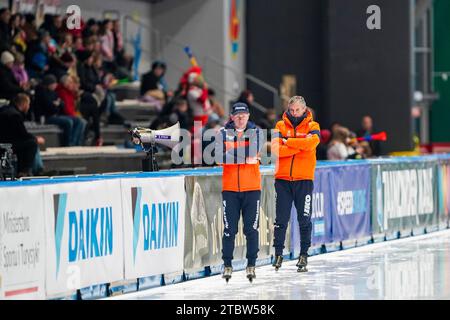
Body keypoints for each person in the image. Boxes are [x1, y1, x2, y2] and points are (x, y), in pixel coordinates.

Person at [271, 96, 320, 272]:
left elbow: (312, 142)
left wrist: (288, 142)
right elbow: (276, 149)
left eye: (297, 110)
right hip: (283, 180)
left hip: (304, 180)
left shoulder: (313, 126)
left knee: (304, 219)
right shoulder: (279, 126)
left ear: (304, 109)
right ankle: (278, 254)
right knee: (281, 220)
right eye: (291, 110)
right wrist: (301, 146)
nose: (294, 113)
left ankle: (304, 255)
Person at [215, 102, 262, 282]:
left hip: (252, 189)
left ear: (248, 116)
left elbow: (253, 152)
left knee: (251, 229)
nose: (241, 118)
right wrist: (245, 157)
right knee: (229, 229)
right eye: (237, 115)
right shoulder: (222, 134)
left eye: (244, 114)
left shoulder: (256, 132)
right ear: (232, 117)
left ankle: (251, 264)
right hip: (230, 190)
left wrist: (232, 154)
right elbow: (218, 158)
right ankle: (227, 264)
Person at [0, 94, 45, 176]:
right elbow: (22, 134)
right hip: (6, 144)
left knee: (29, 142)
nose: (28, 107)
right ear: (24, 104)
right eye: (28, 104)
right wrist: (36, 138)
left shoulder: (4, 109)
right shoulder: (15, 115)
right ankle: (26, 171)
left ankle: (37, 169)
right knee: (32, 143)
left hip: (6, 141)